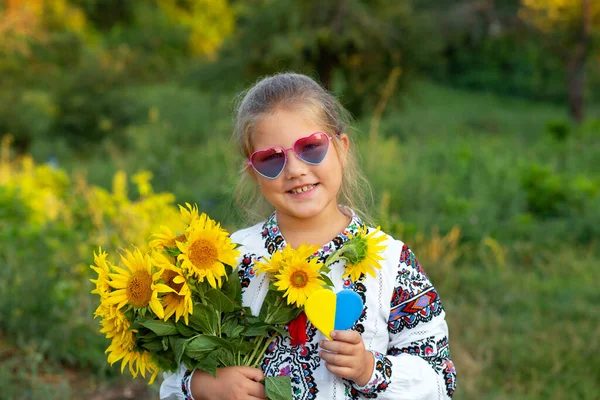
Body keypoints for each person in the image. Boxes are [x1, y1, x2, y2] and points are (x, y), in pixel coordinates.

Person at [160, 72, 456, 400]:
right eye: (271, 158)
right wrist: (202, 385)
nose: (295, 169)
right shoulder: (230, 258)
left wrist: (370, 369)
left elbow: (439, 378)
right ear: (252, 172)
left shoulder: (391, 262)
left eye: (311, 147)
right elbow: (177, 364)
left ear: (341, 148)